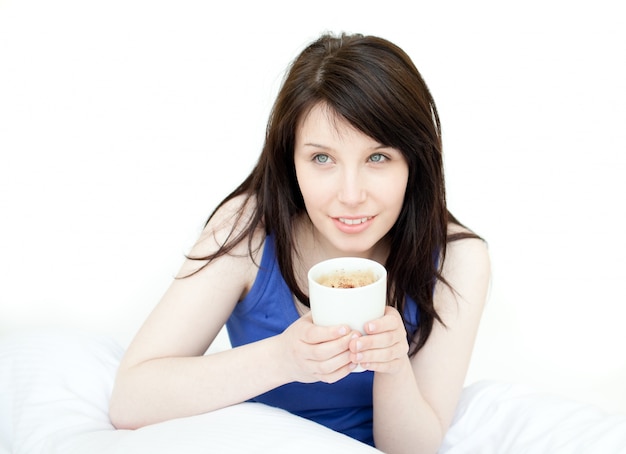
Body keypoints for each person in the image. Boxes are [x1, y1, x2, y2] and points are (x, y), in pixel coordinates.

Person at [109, 32, 490, 454]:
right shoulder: (248, 229)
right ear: (291, 160)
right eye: (322, 158)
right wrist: (282, 359)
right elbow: (131, 399)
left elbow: (413, 448)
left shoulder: (458, 259)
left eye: (377, 158)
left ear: (414, 162)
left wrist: (394, 366)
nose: (350, 194)